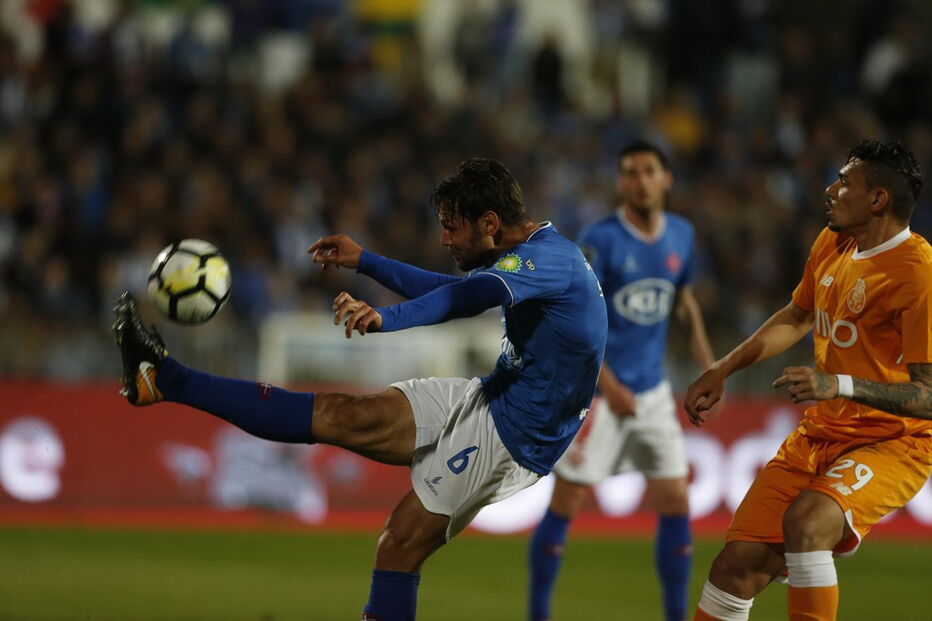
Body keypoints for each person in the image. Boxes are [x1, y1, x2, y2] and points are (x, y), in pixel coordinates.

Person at [113, 158, 607, 621]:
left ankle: (166, 379)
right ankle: (162, 378)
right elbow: (450, 287)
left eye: (451, 227)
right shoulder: (526, 255)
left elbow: (465, 297)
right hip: (495, 391)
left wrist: (385, 318)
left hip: (518, 433)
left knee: (398, 546)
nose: (443, 239)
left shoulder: (550, 261)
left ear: (490, 223)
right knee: (339, 412)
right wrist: (366, 261)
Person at [685, 138, 932, 621]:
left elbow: (929, 396)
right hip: (821, 433)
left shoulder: (918, 275)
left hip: (892, 442)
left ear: (878, 199)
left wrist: (837, 385)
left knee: (807, 523)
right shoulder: (834, 241)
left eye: (845, 182)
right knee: (735, 567)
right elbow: (797, 317)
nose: (830, 189)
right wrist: (722, 369)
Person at [527, 139, 717, 621]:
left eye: (648, 170)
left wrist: (713, 367)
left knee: (675, 500)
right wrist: (607, 384)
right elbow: (574, 319)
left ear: (666, 178)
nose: (640, 180)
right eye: (629, 172)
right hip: (597, 395)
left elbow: (684, 304)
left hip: (652, 392)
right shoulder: (600, 238)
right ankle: (538, 613)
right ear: (620, 182)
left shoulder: (682, 235)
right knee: (567, 500)